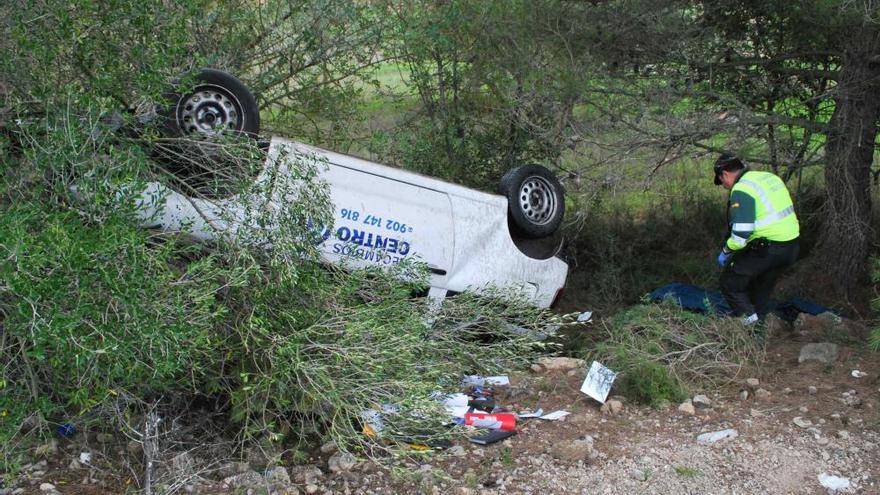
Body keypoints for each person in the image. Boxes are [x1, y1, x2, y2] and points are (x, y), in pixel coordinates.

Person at [713, 154, 800, 325]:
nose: (724, 186)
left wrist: (726, 251)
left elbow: (740, 235)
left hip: (769, 248)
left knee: (730, 284)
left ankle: (751, 330)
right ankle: (761, 324)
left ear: (725, 174)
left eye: (721, 181)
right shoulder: (768, 177)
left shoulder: (742, 188)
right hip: (791, 246)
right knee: (761, 288)